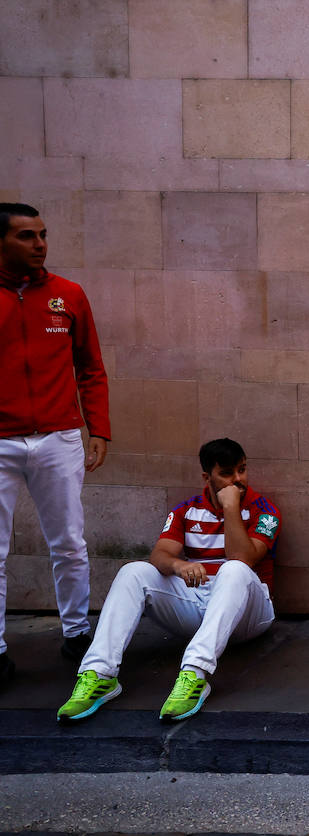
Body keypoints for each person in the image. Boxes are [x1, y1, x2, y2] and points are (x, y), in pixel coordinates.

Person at [56, 438, 281, 722]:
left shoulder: (264, 510)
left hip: (251, 612)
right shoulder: (186, 511)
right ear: (206, 477)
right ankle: (100, 674)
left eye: (242, 469)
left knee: (233, 569)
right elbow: (160, 554)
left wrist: (231, 508)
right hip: (201, 604)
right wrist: (179, 565)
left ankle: (194, 674)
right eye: (227, 473)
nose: (238, 480)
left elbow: (242, 558)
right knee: (134, 572)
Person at [1, 203, 110, 693]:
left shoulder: (68, 296)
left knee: (68, 542)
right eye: (27, 236)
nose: (41, 244)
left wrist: (98, 429)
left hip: (59, 436)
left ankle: (77, 633)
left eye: (43, 234)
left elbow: (90, 366)